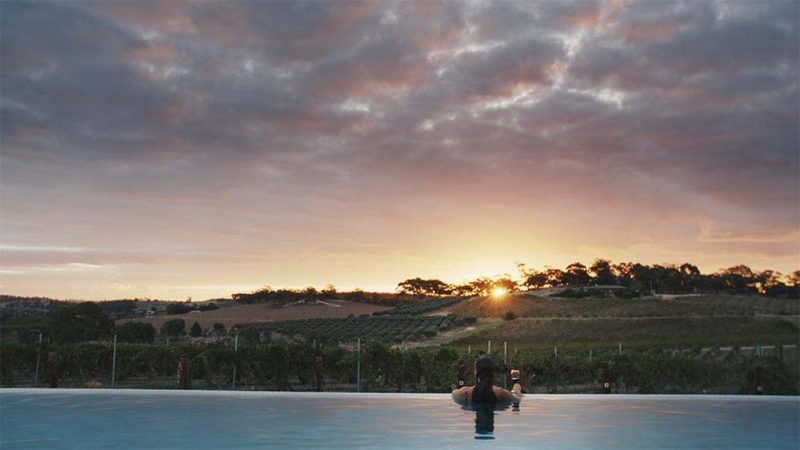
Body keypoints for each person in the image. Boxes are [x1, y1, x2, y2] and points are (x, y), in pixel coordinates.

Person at [451, 355, 523, 404]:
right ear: (492, 373)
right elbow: (517, 399)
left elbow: (454, 393)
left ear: (476, 372)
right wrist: (516, 387)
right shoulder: (500, 392)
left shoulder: (465, 393)